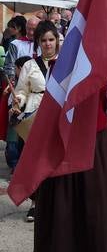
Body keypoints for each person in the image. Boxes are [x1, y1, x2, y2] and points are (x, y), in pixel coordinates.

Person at [31, 80, 107, 252]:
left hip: (95, 140)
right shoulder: (61, 67)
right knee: (63, 205)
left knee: (97, 205)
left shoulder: (105, 71)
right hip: (64, 138)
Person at [10, 22, 60, 222]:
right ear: (38, 43)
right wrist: (17, 101)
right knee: (35, 161)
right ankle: (35, 202)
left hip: (57, 115)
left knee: (56, 161)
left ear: (57, 41)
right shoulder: (30, 65)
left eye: (51, 40)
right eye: (43, 40)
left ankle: (57, 204)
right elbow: (22, 91)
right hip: (34, 115)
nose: (47, 44)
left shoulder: (66, 63)